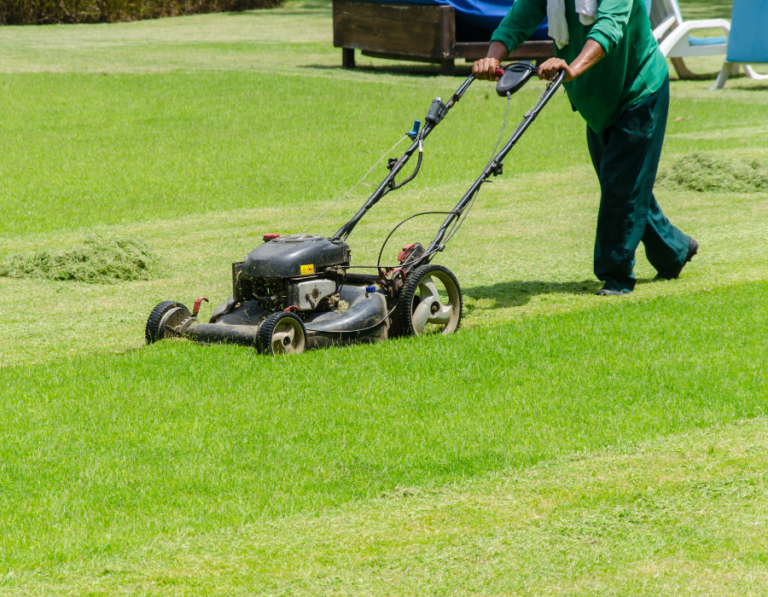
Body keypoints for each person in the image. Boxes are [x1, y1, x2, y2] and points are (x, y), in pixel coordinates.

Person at [473, 0, 697, 295]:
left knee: (621, 186)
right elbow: (518, 19)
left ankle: (616, 276)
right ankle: (674, 250)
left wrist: (571, 68)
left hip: (638, 90)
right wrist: (492, 57)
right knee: (623, 182)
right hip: (595, 97)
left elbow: (609, 28)